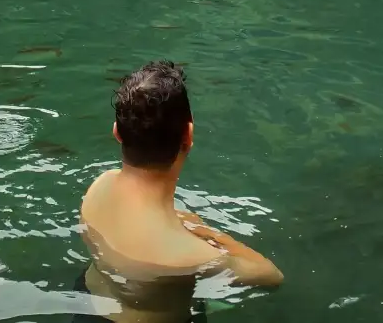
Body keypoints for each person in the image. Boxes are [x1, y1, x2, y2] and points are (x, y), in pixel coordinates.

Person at [76, 61, 281, 322]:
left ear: (117, 133)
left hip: (87, 307)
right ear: (189, 134)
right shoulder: (192, 255)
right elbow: (270, 276)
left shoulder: (99, 188)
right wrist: (205, 231)